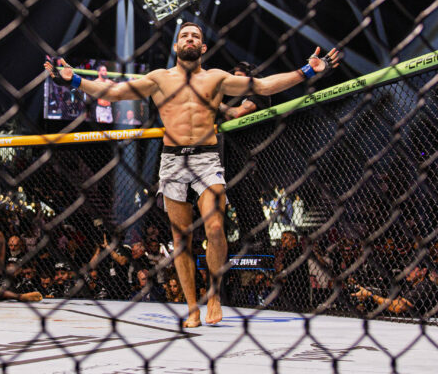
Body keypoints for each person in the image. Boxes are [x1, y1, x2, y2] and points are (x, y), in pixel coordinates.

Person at [45, 22, 340, 326]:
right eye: (184, 35)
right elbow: (116, 92)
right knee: (181, 239)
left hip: (206, 158)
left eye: (195, 36)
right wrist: (74, 80)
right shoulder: (159, 78)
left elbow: (263, 86)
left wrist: (307, 71)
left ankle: (213, 296)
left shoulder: (215, 78)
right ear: (176, 46)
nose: (189, 39)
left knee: (216, 227)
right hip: (173, 160)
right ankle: (191, 307)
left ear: (202, 47)